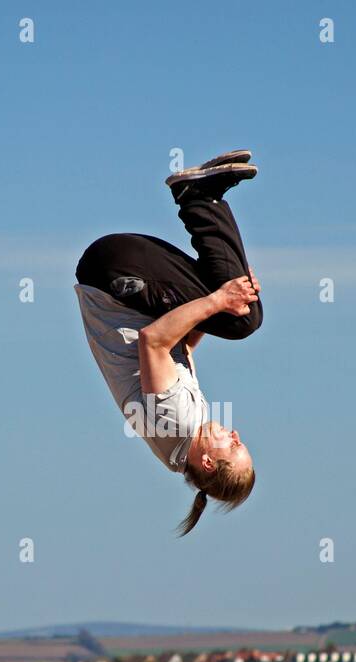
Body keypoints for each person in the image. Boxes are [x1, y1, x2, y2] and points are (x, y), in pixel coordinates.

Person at [75, 149, 262, 535]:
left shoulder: (175, 425)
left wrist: (219, 301)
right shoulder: (186, 438)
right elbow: (182, 347)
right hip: (116, 275)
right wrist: (226, 294)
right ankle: (206, 196)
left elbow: (154, 341)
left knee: (241, 318)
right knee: (238, 311)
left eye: (235, 447)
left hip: (115, 273)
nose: (236, 435)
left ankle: (198, 196)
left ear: (208, 463)